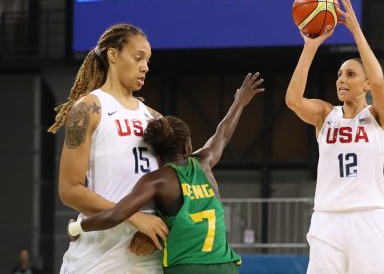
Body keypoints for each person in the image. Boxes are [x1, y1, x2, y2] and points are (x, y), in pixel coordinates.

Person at [66, 72, 264, 274]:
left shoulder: (157, 181)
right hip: (224, 265)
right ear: (187, 146)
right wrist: (239, 102)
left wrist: (77, 227)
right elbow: (222, 134)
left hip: (186, 268)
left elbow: (116, 214)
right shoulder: (204, 162)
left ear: (156, 155)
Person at [286, 0, 384, 273]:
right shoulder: (326, 115)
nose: (341, 80)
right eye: (338, 75)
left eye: (350, 74)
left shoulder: (378, 117)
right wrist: (310, 46)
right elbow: (293, 100)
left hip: (368, 218)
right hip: (327, 219)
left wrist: (356, 31)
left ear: (366, 84)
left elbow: (381, 81)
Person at [48, 23, 169, 273]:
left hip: (148, 253)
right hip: (98, 255)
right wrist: (133, 216)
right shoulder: (88, 108)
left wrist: (158, 225)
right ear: (113, 55)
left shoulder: (155, 119)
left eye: (147, 60)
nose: (145, 66)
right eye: (138, 58)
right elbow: (69, 190)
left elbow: (179, 183)